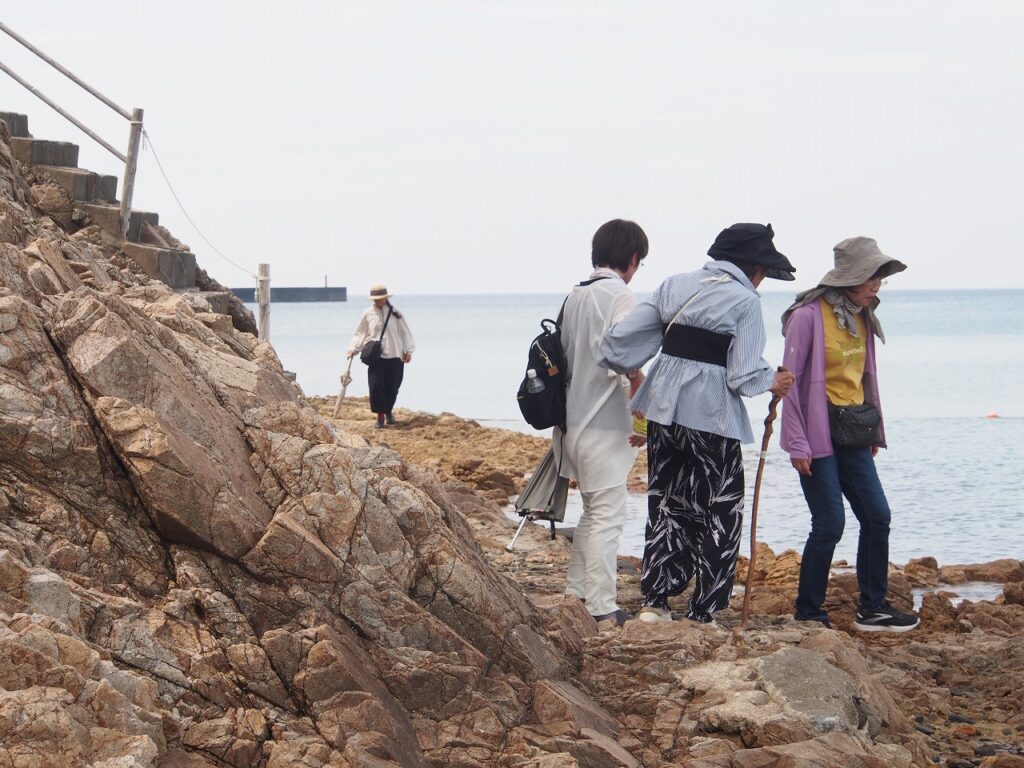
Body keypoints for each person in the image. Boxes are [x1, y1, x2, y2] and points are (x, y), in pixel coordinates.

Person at [599, 223, 796, 624]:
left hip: (663, 411)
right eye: (763, 271)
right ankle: (703, 609)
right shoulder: (744, 301)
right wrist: (773, 381)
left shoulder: (675, 284)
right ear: (755, 266)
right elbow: (742, 376)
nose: (761, 280)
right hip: (711, 417)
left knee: (667, 501)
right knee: (721, 509)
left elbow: (620, 343)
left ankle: (656, 600)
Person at [781, 236, 919, 632]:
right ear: (851, 277)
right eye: (872, 277)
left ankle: (873, 607)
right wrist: (796, 442)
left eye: (880, 278)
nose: (877, 285)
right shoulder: (808, 316)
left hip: (854, 430)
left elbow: (865, 378)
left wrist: (874, 430)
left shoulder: (862, 314)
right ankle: (809, 611)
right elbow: (790, 382)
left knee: (877, 516)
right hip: (816, 433)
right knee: (829, 524)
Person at [555, 219, 648, 627]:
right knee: (608, 515)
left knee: (593, 512)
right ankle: (602, 605)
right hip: (604, 422)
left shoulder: (574, 295)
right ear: (631, 258)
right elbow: (622, 356)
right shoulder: (620, 296)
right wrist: (640, 387)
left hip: (570, 423)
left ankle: (577, 593)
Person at [347, 284, 415, 429]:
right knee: (376, 386)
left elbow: (405, 332)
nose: (379, 302)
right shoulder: (368, 313)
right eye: (376, 299)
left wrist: (408, 350)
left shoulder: (395, 313)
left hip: (396, 355)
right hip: (376, 356)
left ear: (385, 298)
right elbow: (361, 333)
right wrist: (353, 349)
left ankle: (388, 411)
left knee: (393, 387)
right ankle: (380, 416)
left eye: (381, 299)